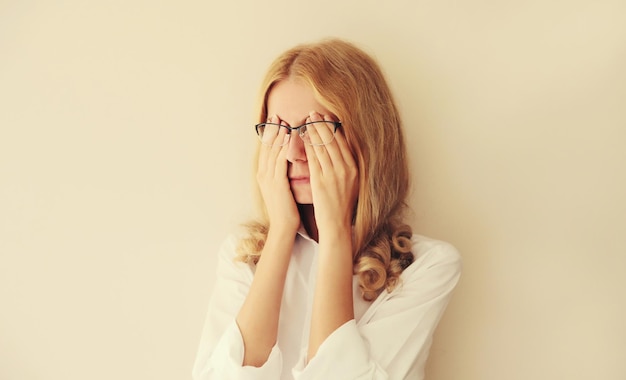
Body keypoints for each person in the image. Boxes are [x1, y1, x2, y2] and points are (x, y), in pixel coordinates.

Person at [192, 38, 461, 380]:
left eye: (314, 129)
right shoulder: (242, 257)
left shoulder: (427, 267)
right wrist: (280, 233)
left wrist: (335, 232)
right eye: (278, 130)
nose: (293, 151)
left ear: (366, 137)